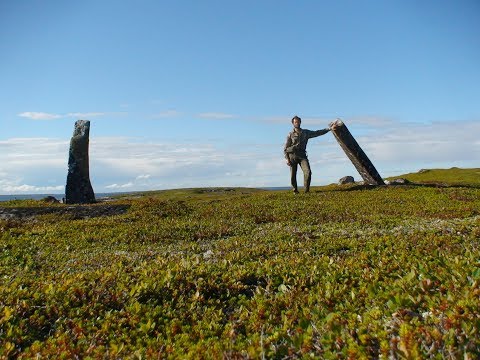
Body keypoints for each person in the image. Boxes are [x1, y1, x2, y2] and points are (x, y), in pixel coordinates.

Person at [284, 115, 336, 194]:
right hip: (292, 156)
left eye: (298, 122)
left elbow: (317, 133)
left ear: (300, 122)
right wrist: (287, 159)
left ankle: (306, 191)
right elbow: (285, 149)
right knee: (293, 175)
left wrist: (329, 129)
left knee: (308, 172)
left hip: (302, 155)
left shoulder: (306, 132)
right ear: (293, 123)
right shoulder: (290, 134)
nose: (297, 123)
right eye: (295, 122)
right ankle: (295, 190)